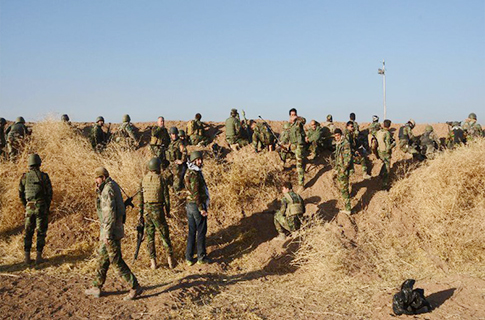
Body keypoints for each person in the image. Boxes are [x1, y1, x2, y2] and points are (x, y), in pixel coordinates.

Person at [85, 167, 142, 300]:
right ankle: (96, 286)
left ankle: (135, 286)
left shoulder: (107, 190)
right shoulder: (111, 185)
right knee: (102, 259)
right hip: (111, 229)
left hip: (110, 231)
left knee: (116, 261)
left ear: (103, 177)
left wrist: (107, 234)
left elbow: (109, 214)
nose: (95, 181)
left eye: (97, 178)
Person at [139, 158, 174, 269]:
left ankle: (153, 263)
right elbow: (166, 197)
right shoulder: (161, 179)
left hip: (147, 211)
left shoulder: (143, 180)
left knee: (150, 237)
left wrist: (140, 214)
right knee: (164, 235)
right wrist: (167, 211)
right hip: (158, 210)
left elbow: (141, 200)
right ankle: (170, 261)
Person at [19, 154, 53, 264]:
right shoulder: (44, 176)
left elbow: (21, 194)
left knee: (28, 231)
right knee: (41, 231)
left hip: (29, 207)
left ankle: (27, 258)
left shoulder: (24, 177)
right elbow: (49, 193)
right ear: (39, 163)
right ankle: (38, 257)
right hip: (41, 206)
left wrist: (27, 205)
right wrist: (46, 206)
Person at [184, 151, 210, 266]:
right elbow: (196, 193)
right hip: (196, 205)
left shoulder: (189, 172)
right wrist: (201, 208)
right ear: (194, 161)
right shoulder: (194, 174)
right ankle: (201, 257)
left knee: (191, 231)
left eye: (200, 159)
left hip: (190, 205)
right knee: (201, 231)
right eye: (197, 160)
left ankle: (189, 258)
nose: (200, 161)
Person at [285, 108, 307, 187]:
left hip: (299, 145)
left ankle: (301, 184)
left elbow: (304, 120)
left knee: (299, 164)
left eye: (294, 115)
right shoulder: (289, 125)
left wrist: (298, 118)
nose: (293, 116)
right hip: (293, 145)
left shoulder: (299, 122)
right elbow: (289, 135)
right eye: (292, 115)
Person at [334, 128, 353, 214]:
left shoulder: (345, 143)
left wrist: (343, 168)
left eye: (338, 135)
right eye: (335, 136)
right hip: (339, 169)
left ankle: (348, 209)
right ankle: (347, 207)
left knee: (344, 189)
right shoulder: (339, 143)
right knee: (343, 189)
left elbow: (347, 158)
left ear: (341, 135)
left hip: (343, 170)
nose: (336, 137)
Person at [166, 127, 188, 191]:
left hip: (178, 167)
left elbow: (184, 151)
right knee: (164, 178)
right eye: (173, 134)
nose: (174, 135)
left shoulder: (179, 143)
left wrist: (182, 161)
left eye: (175, 134)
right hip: (171, 165)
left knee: (176, 186)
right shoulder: (170, 143)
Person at [375, 120, 394, 190]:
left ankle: (380, 175)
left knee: (384, 164)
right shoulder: (387, 133)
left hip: (379, 152)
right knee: (387, 169)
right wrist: (393, 144)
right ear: (389, 126)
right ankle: (384, 185)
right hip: (386, 153)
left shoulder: (379, 132)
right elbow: (388, 147)